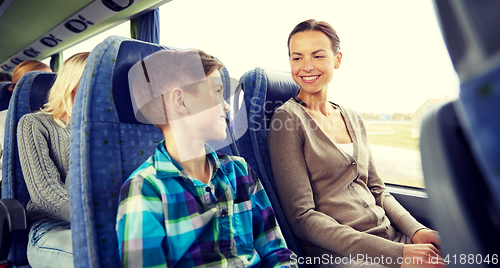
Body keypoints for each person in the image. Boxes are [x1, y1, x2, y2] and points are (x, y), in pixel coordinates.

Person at [267, 19, 444, 268]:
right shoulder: (287, 120)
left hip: (390, 238)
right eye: (297, 58)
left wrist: (416, 232)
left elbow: (377, 189)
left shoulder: (352, 117)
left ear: (337, 59)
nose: (306, 67)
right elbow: (302, 217)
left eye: (317, 56)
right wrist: (397, 254)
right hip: (342, 254)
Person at [116, 49, 296, 268]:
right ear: (180, 101)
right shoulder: (145, 188)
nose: (226, 105)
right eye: (217, 92)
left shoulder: (239, 172)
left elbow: (276, 252)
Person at [17, 52, 89, 268]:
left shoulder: (109, 129)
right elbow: (47, 195)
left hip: (108, 223)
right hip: (52, 227)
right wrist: (101, 217)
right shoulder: (34, 124)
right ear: (74, 84)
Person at [0, 60, 52, 183]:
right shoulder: (3, 120)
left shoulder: (61, 118)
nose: (48, 89)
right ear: (19, 89)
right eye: (41, 84)